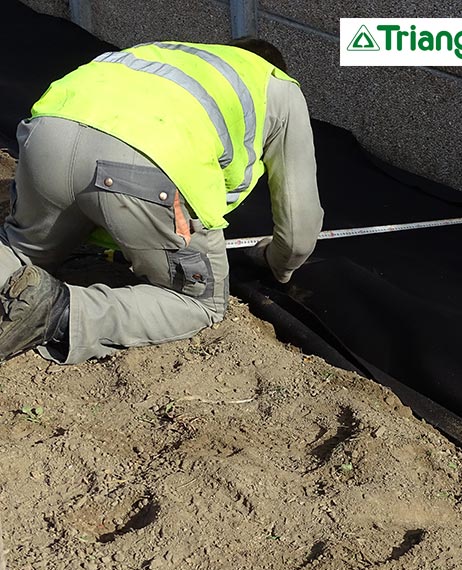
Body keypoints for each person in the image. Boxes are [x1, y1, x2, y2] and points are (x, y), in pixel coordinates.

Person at [0, 37, 323, 364]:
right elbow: (298, 233)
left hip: (47, 134)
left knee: (21, 250)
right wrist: (277, 266)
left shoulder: (166, 52)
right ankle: (59, 311)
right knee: (200, 304)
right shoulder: (280, 87)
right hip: (143, 169)